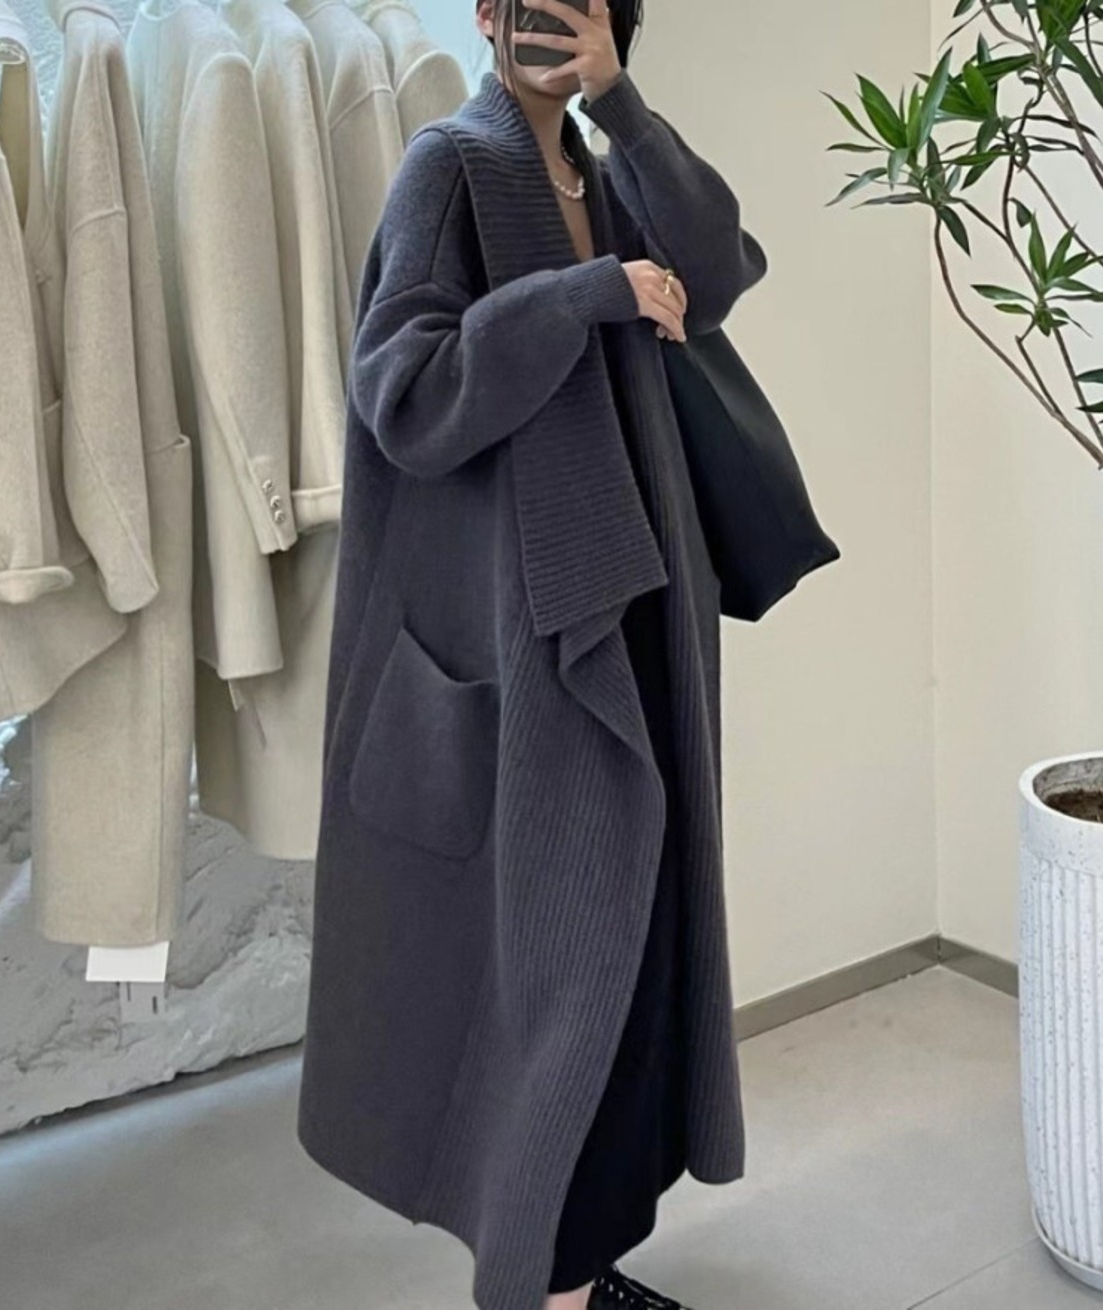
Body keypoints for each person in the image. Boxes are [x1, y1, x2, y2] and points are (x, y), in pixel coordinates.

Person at [296, 3, 770, 1309]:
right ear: (484, 15)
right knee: (566, 965)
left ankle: (578, 1271)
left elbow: (718, 269)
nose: (548, 20)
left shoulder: (605, 169)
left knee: (635, 953)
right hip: (530, 629)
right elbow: (402, 390)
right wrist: (583, 294)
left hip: (637, 604)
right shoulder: (450, 165)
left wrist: (622, 107)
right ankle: (545, 1287)